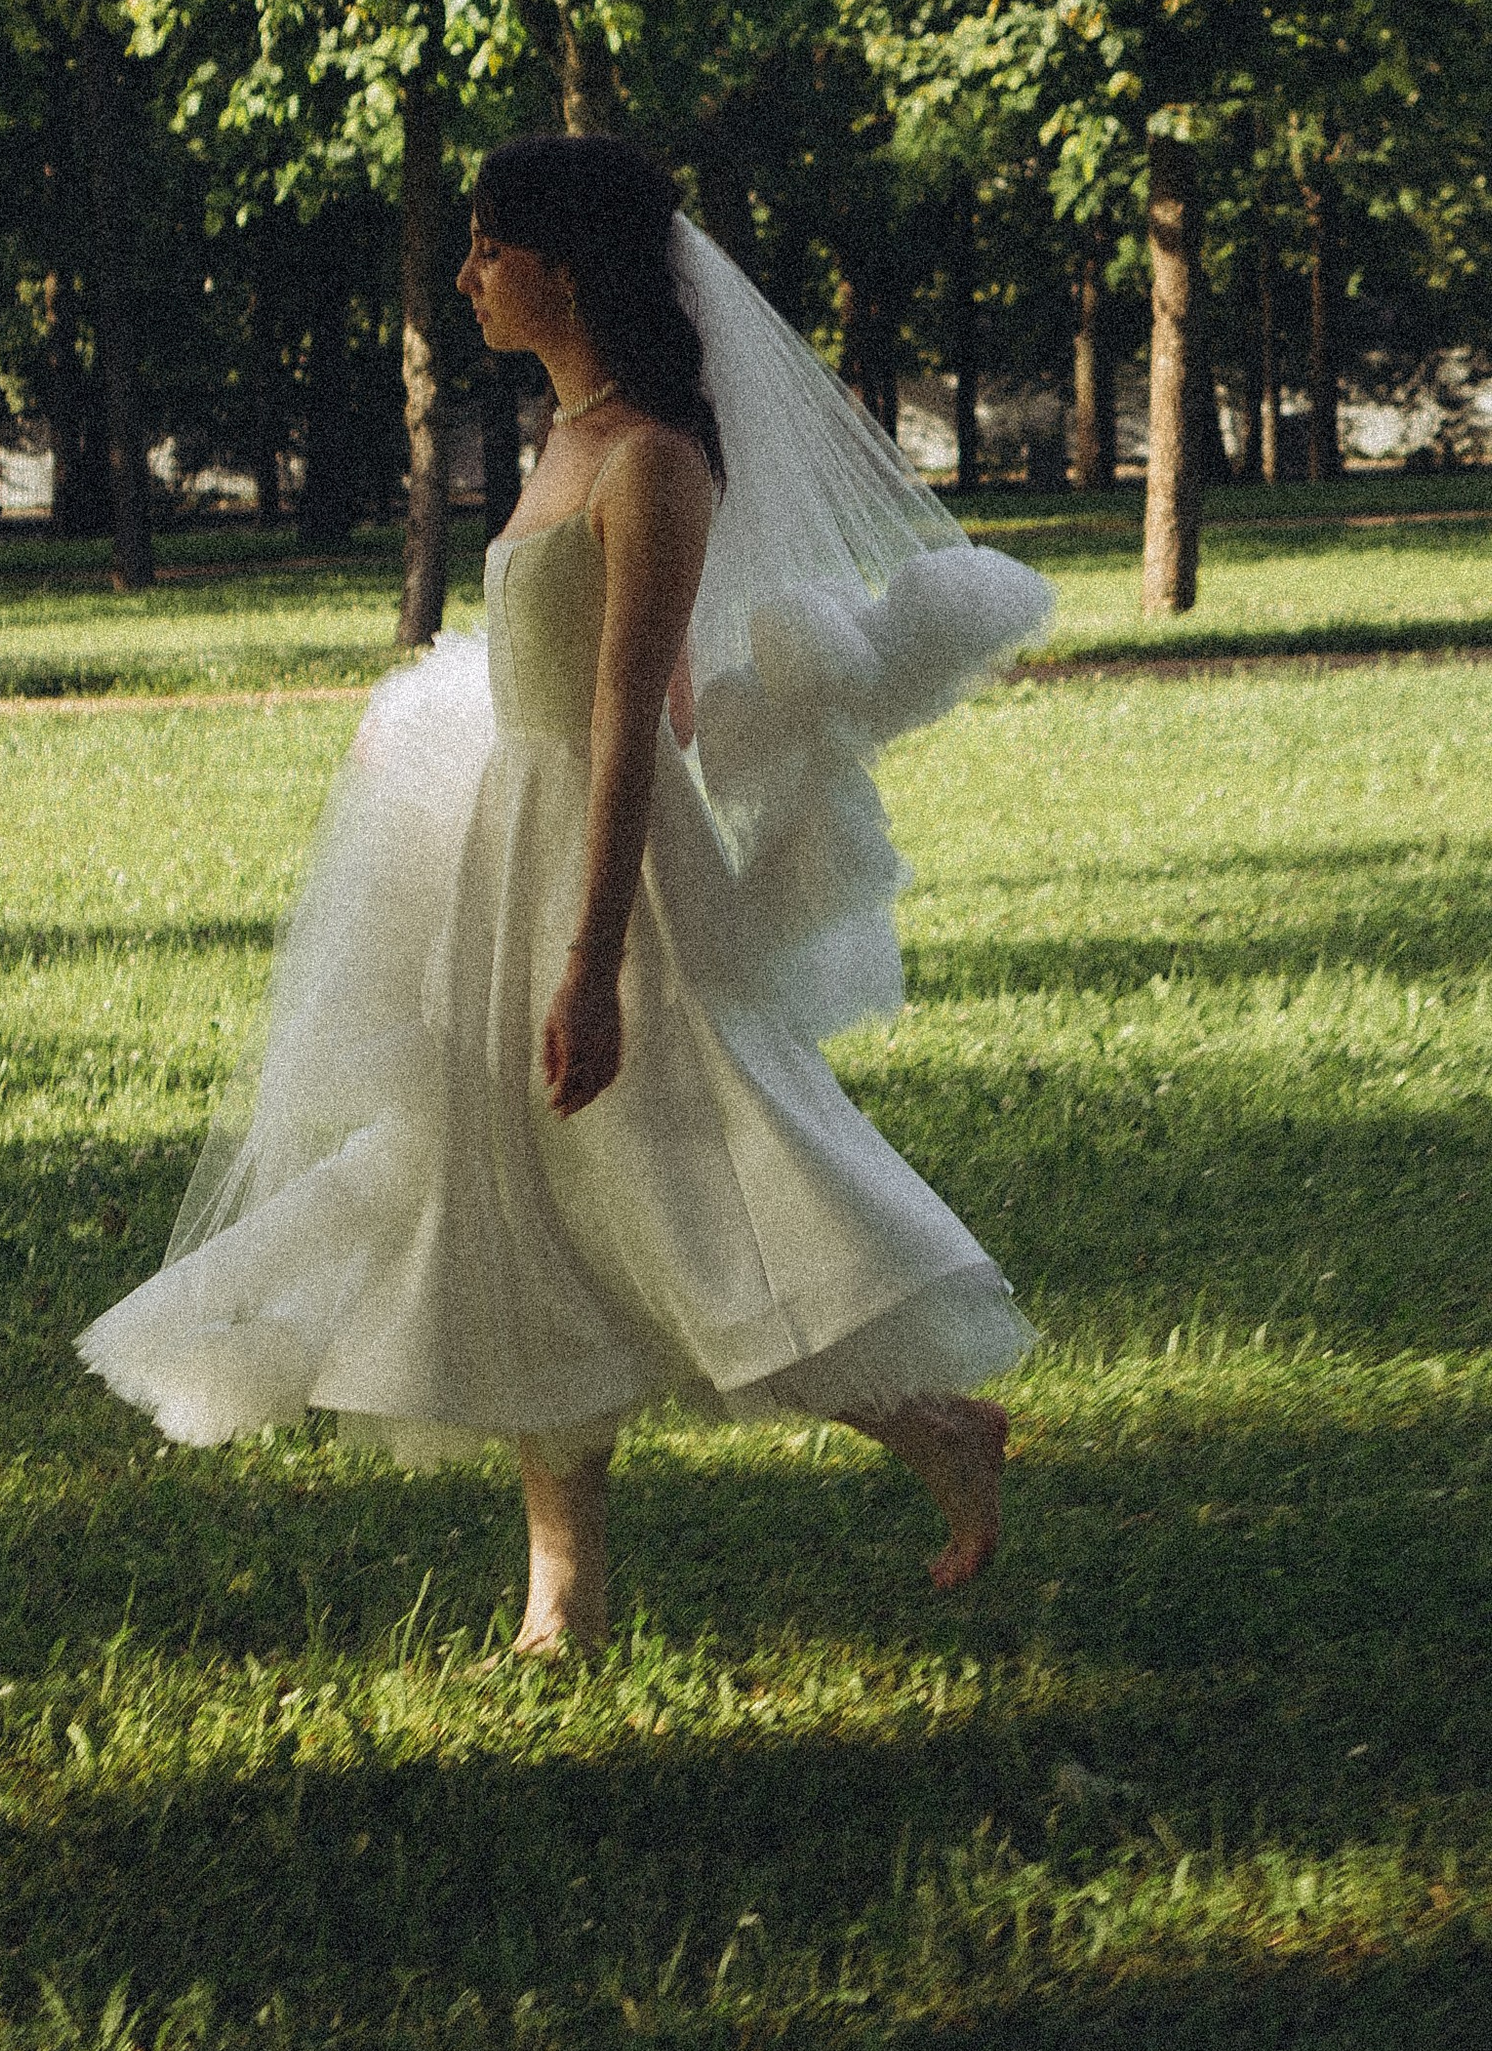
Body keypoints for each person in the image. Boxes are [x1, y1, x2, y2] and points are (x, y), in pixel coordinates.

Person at [78, 132, 1053, 1656]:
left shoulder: (656, 458)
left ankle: (933, 1423)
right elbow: (607, 679)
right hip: (516, 852)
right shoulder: (570, 435)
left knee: (688, 1186)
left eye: (490, 246)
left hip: (610, 876)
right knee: (513, 1201)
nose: (466, 274)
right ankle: (564, 1599)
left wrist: (594, 965)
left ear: (569, 267)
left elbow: (628, 726)